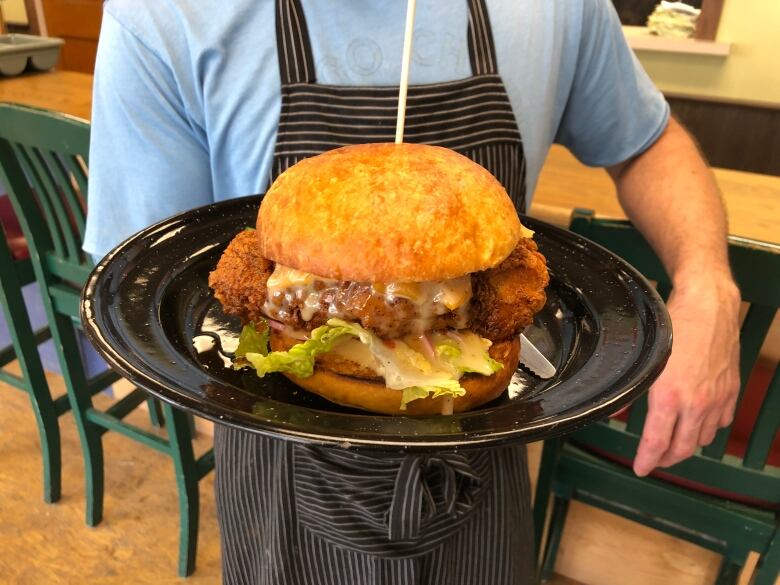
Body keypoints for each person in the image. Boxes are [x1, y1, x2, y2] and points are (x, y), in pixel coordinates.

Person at [84, 1, 741, 583]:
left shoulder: (560, 7)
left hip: (487, 439)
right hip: (276, 453)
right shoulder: (162, 13)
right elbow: (146, 289)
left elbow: (646, 143)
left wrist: (707, 282)